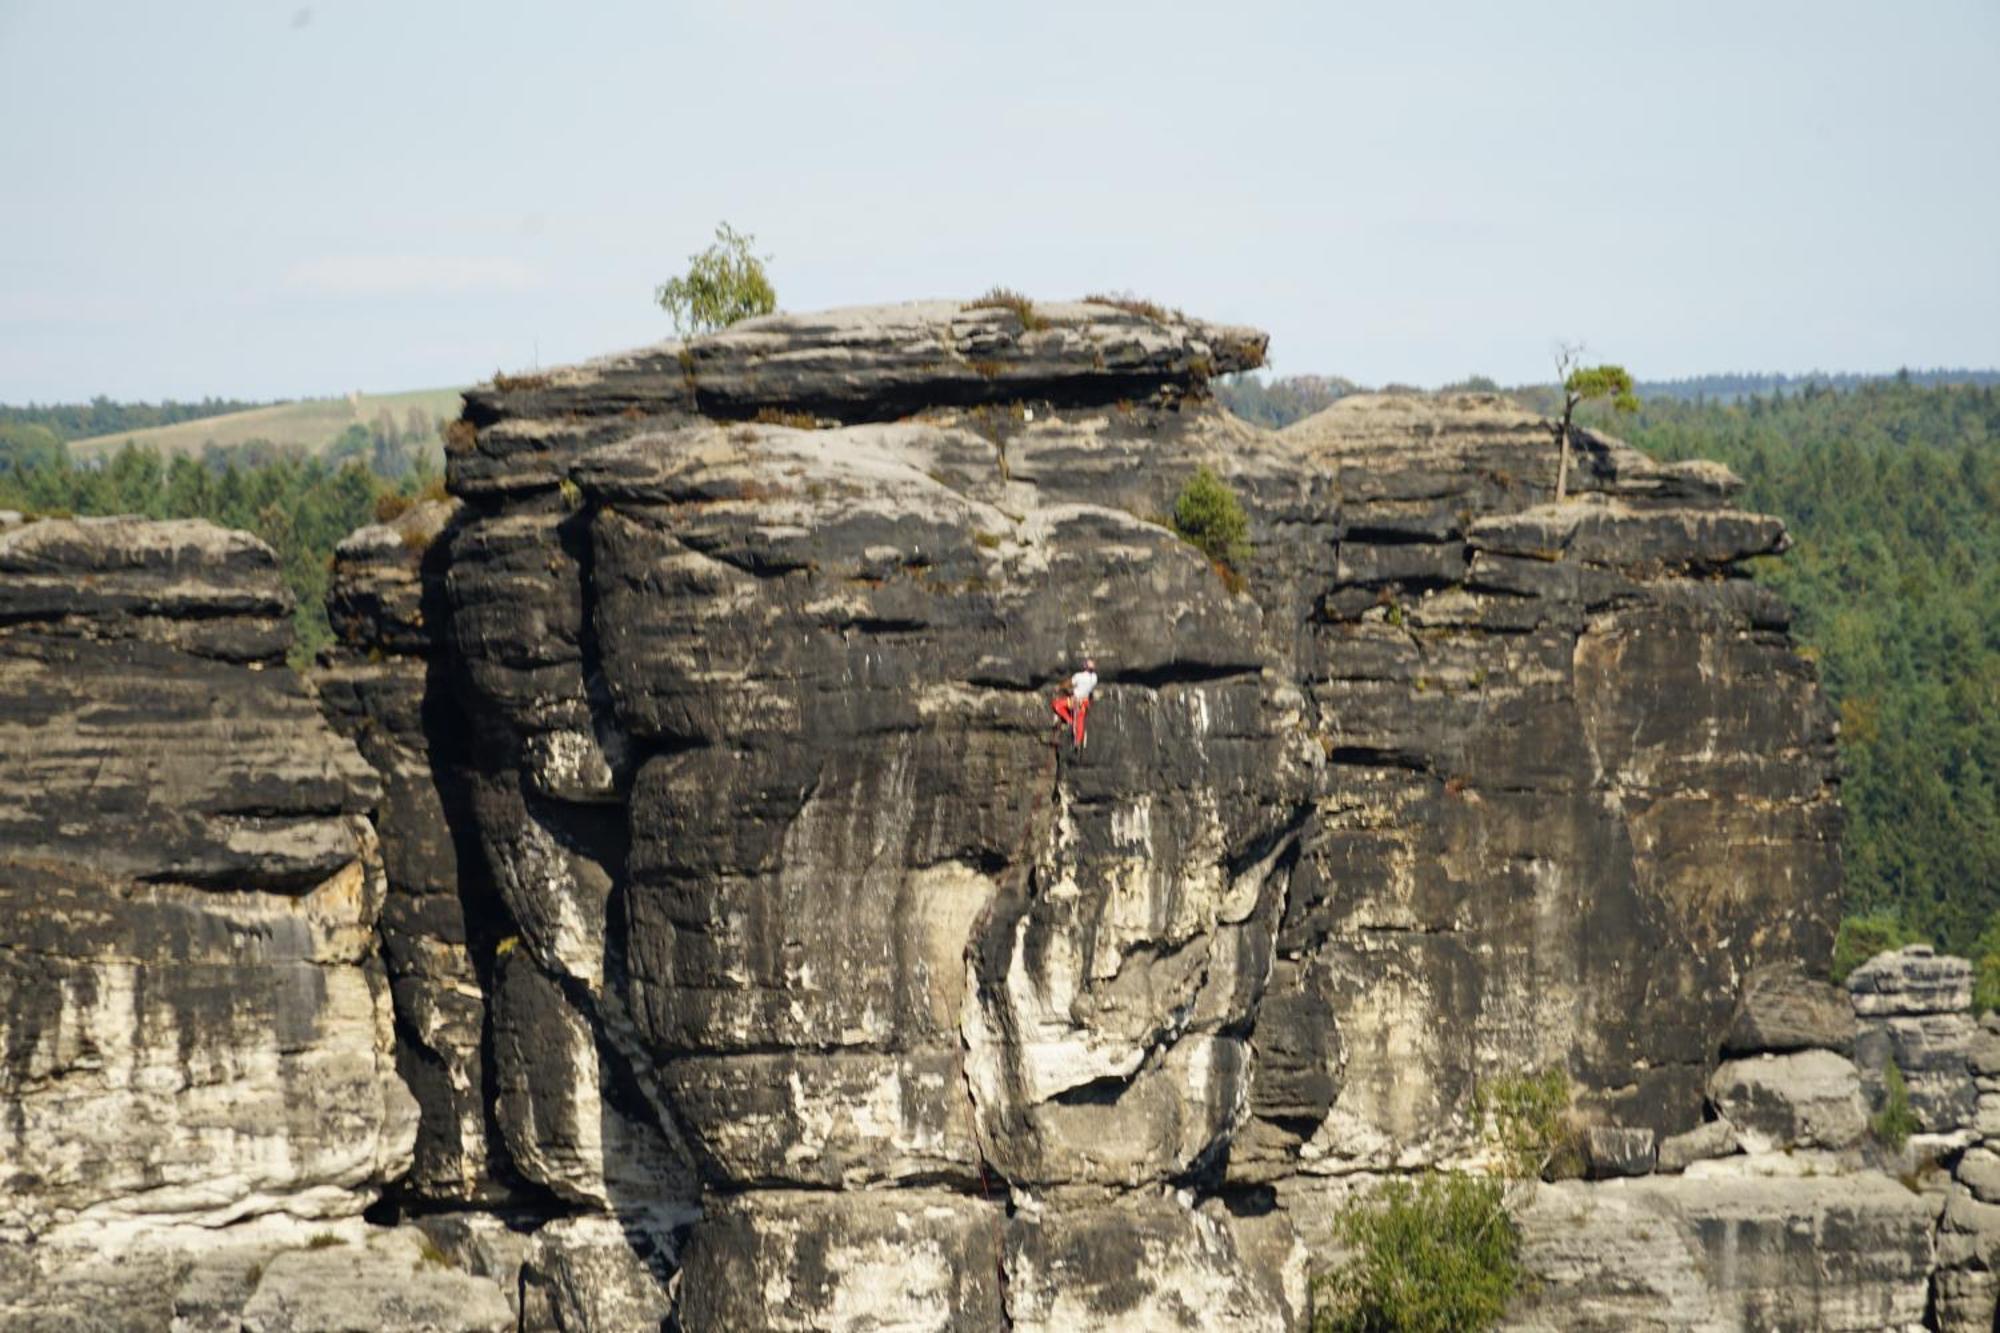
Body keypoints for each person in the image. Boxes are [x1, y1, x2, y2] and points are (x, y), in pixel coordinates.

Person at [1051, 658, 1098, 747]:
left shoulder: (1079, 676)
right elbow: (1086, 688)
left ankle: (1069, 720)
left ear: (1085, 666)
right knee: (1080, 720)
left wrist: (1059, 687)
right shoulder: (1095, 678)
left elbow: (1068, 683)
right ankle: (1078, 741)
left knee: (1056, 705)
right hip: (1085, 701)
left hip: (1075, 701)